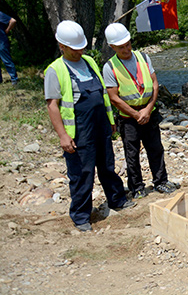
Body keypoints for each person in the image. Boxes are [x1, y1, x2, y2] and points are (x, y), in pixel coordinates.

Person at [44, 20, 134, 232]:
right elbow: (52, 106)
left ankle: (117, 200)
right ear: (62, 46)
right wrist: (63, 136)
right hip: (78, 131)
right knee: (82, 174)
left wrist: (110, 121)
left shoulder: (89, 62)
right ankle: (81, 216)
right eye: (75, 49)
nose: (79, 52)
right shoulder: (55, 70)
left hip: (100, 126)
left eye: (81, 47)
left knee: (107, 166)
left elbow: (103, 95)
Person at [102, 23, 177, 199]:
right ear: (112, 47)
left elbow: (155, 84)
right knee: (132, 154)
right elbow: (114, 97)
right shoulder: (110, 67)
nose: (126, 49)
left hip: (149, 112)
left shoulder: (143, 57)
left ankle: (161, 181)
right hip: (129, 118)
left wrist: (148, 109)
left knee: (156, 149)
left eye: (128, 44)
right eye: (121, 47)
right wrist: (136, 114)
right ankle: (136, 187)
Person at [0, 11, 18, 85]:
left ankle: (14, 79)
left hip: (1, 42)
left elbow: (13, 21)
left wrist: (7, 30)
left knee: (6, 60)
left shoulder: (0, 14)